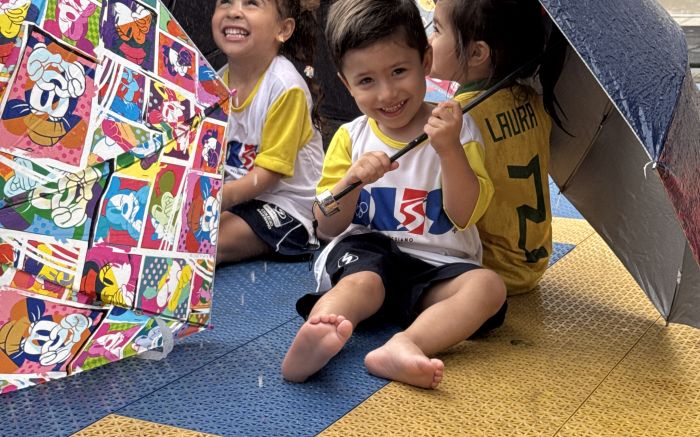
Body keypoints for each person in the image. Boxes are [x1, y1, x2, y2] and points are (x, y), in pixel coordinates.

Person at [281, 0, 507, 389]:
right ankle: (320, 331)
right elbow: (325, 226)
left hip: (436, 265)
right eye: (366, 81)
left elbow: (465, 214)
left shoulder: (459, 130)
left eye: (399, 71)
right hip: (367, 254)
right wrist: (351, 182)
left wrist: (450, 150)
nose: (387, 93)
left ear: (425, 59)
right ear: (345, 82)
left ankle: (406, 344)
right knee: (362, 283)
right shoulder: (352, 138)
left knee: (488, 287)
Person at [429, 0, 567, 294]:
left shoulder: (460, 119)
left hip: (485, 271)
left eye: (437, 30)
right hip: (532, 264)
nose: (429, 40)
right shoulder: (533, 99)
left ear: (477, 52)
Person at [212, 0, 324, 263]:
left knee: (204, 243)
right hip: (236, 199)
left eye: (252, 4)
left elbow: (269, 175)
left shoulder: (285, 88)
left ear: (283, 30)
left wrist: (216, 199)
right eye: (224, 2)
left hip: (288, 206)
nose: (234, 11)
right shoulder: (215, 82)